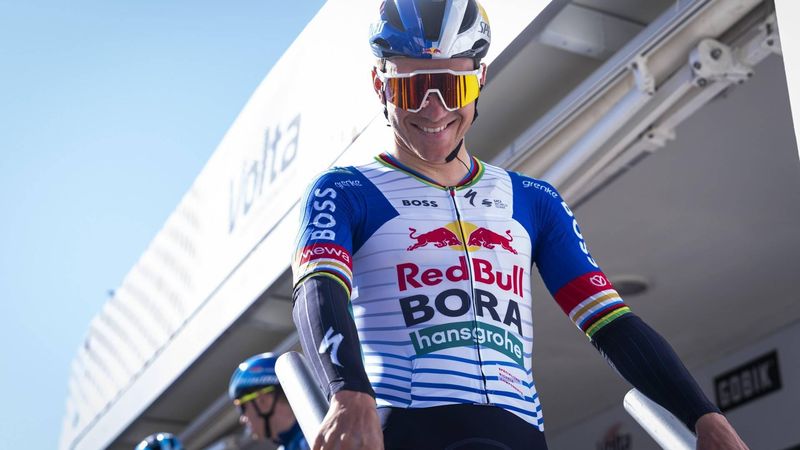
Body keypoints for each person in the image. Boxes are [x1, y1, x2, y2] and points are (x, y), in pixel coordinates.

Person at [291, 0, 749, 448]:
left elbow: (611, 321)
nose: (434, 109)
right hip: (409, 431)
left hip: (517, 436)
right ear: (380, 84)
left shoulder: (533, 200)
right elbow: (319, 291)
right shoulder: (344, 191)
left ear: (480, 81)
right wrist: (347, 393)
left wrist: (704, 416)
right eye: (414, 88)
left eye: (453, 88)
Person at [229, 353, 309, 450]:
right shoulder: (322, 427)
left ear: (262, 400)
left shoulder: (319, 434)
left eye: (241, 406)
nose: (242, 419)